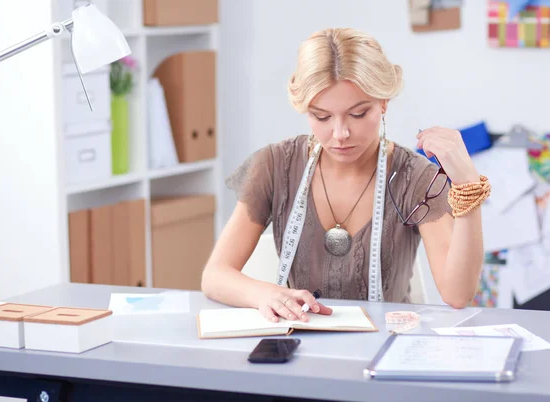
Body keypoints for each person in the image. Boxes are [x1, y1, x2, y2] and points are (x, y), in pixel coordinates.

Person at [201, 28, 491, 322]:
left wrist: (468, 185)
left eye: (358, 114)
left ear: (383, 102)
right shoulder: (275, 166)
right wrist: (264, 294)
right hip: (301, 348)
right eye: (321, 116)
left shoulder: (415, 178)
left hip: (385, 350)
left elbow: (457, 295)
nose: (340, 134)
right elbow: (214, 276)